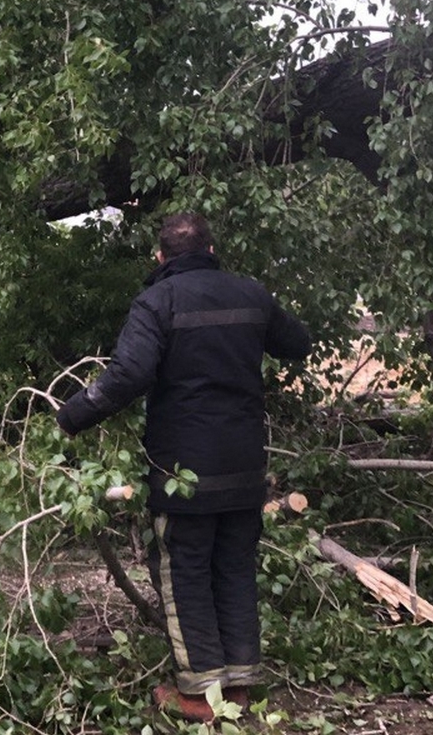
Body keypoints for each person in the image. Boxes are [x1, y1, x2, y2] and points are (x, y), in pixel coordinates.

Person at [57, 212, 311, 723]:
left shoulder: (158, 301)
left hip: (183, 473)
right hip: (243, 467)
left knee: (187, 573)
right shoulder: (251, 294)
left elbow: (128, 373)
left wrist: (71, 416)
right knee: (234, 567)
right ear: (212, 250)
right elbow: (297, 343)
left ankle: (200, 696)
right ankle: (238, 686)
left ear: (160, 258)